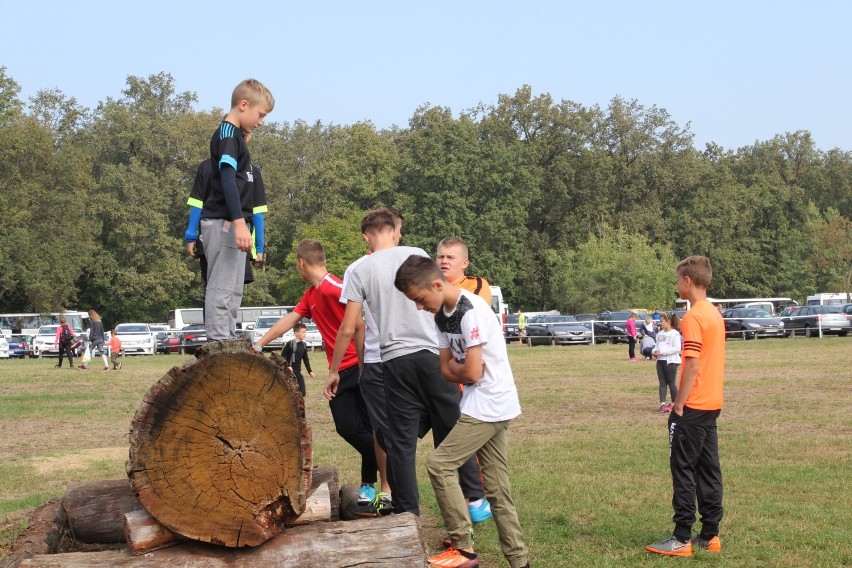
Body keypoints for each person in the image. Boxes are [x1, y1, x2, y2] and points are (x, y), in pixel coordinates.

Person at [330, 208, 485, 519]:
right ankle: (476, 498)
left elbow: (350, 326)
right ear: (395, 231)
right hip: (429, 353)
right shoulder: (415, 253)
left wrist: (334, 370)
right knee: (452, 421)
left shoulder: (358, 269)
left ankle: (407, 512)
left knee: (400, 441)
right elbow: (440, 298)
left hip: (392, 362)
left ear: (366, 237)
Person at [394, 255, 531, 568]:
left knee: (439, 464)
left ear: (438, 284)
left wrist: (461, 369)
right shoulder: (441, 315)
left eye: (419, 299)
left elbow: (469, 374)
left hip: (491, 403)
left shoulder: (471, 312)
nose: (418, 307)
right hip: (478, 401)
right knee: (497, 489)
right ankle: (519, 561)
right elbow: (448, 371)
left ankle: (464, 549)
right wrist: (462, 368)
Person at [254, 239, 381, 515]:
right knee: (352, 428)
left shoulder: (335, 287)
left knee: (367, 428)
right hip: (343, 371)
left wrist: (363, 366)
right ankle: (379, 467)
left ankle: (371, 485)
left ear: (301, 262)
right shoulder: (312, 294)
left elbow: (360, 319)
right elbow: (290, 319)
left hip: (360, 367)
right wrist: (260, 342)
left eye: (296, 265)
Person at [646, 256, 726, 557]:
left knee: (683, 469)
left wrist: (678, 405)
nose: (677, 285)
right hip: (711, 404)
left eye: (678, 280)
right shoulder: (715, 315)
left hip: (692, 407)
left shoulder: (692, 318)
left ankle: (681, 538)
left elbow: (691, 364)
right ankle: (710, 534)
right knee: (709, 470)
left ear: (688, 281)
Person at [201, 79, 274, 341]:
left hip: (234, 223)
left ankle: (228, 339)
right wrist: (239, 222)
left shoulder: (236, 138)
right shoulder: (227, 135)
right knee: (221, 288)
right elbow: (228, 179)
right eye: (260, 114)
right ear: (244, 105)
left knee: (234, 291)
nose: (261, 121)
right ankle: (218, 343)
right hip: (224, 223)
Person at [435, 237, 491, 306]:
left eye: (450, 257)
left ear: (464, 263)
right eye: (441, 257)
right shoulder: (428, 285)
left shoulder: (476, 284)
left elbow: (472, 311)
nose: (444, 261)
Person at [652, 312, 681, 412]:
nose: (660, 323)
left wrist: (663, 352)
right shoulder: (660, 333)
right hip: (660, 361)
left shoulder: (674, 333)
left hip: (671, 361)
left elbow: (677, 348)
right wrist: (654, 351)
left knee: (671, 382)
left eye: (661, 321)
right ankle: (663, 404)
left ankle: (675, 404)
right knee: (662, 383)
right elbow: (656, 346)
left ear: (668, 321)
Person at [281, 322, 314, 396]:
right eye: (302, 332)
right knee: (290, 392)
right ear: (296, 333)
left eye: (305, 332)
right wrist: (287, 366)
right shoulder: (290, 343)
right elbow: (283, 355)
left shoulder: (304, 345)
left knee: (302, 393)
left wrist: (310, 371)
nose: (304, 334)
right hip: (289, 372)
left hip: (298, 371)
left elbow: (306, 359)